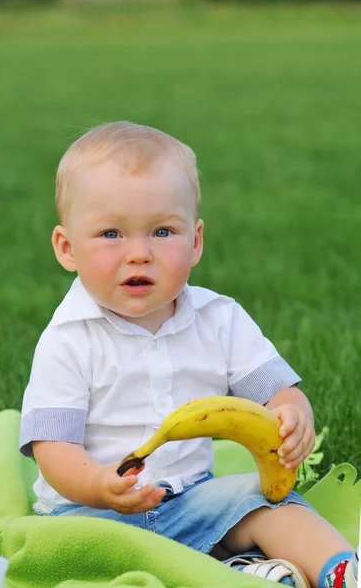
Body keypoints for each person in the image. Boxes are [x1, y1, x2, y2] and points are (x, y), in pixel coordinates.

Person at [19, 121, 358, 588]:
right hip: (90, 515)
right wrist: (100, 486)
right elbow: (53, 450)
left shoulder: (219, 319)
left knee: (269, 504)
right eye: (111, 234)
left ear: (195, 241)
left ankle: (340, 571)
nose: (139, 253)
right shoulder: (68, 339)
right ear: (66, 248)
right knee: (71, 558)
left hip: (192, 500)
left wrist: (293, 416)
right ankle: (235, 571)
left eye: (162, 231)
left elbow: (278, 392)